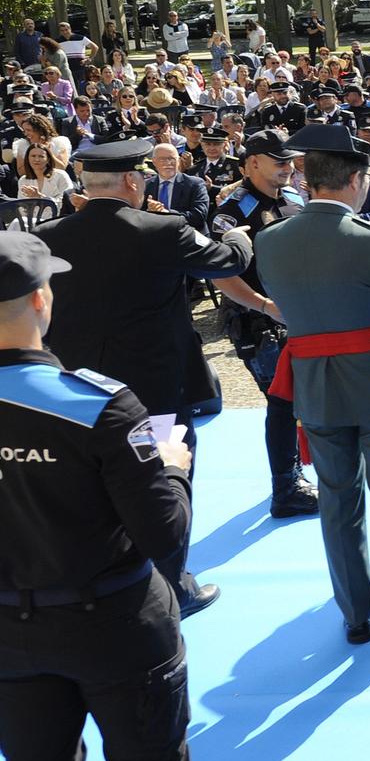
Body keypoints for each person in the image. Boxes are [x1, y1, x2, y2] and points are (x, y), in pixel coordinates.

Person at [0, 232, 201, 761]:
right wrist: (174, 471)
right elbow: (165, 535)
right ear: (41, 299)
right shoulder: (98, 404)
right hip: (116, 622)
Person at [39, 138, 265, 616]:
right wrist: (240, 235)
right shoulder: (163, 230)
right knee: (165, 478)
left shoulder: (50, 234)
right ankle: (171, 587)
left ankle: (104, 580)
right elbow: (228, 261)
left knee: (91, 483)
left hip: (76, 389)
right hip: (153, 388)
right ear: (132, 181)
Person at [255, 123, 370, 645]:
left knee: (338, 506)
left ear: (308, 181)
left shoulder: (270, 241)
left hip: (316, 387)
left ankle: (356, 614)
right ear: (357, 181)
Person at [210, 128, 321, 519]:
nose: (289, 169)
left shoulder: (293, 197)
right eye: (280, 162)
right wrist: (264, 305)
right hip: (261, 324)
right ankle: (286, 488)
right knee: (282, 403)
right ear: (253, 162)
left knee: (306, 398)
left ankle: (302, 472)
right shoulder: (232, 210)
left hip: (301, 318)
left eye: (291, 161)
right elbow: (219, 272)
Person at [142, 143, 210, 232]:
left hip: (188, 235)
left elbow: (199, 216)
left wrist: (167, 213)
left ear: (178, 160)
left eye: (172, 158)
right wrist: (150, 212)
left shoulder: (195, 184)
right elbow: (137, 214)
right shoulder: (146, 185)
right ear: (154, 161)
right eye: (162, 159)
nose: (168, 163)